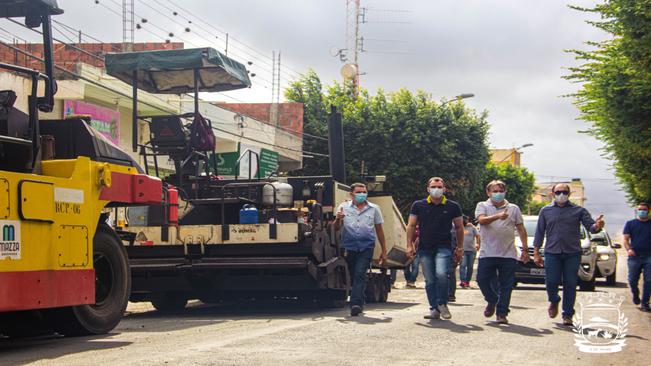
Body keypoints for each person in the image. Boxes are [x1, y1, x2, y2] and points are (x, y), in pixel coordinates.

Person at [533, 183, 605, 325]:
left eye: (564, 192)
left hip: (572, 253)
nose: (561, 194)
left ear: (569, 194)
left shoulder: (579, 210)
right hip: (552, 252)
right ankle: (554, 300)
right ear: (553, 194)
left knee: (570, 284)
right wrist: (536, 252)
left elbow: (591, 227)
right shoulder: (545, 211)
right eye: (558, 192)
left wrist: (598, 226)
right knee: (551, 281)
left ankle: (568, 314)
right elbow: (539, 232)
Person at [406, 177, 463, 320]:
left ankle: (442, 303)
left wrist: (459, 248)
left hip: (444, 247)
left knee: (442, 274)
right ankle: (434, 308)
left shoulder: (453, 206)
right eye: (433, 186)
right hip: (425, 248)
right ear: (428, 189)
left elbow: (459, 227)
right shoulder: (418, 205)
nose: (436, 189)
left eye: (439, 187)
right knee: (430, 280)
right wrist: (409, 245)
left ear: (444, 189)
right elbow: (411, 225)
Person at [475, 180, 530, 324]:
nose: (498, 194)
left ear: (505, 192)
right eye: (494, 191)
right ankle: (492, 300)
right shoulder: (483, 205)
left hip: (508, 253)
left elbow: (521, 229)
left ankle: (502, 313)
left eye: (500, 191)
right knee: (482, 280)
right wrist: (497, 216)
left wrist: (525, 250)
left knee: (506, 285)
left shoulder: (513, 208)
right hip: (488, 252)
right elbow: (481, 220)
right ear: (488, 192)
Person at [334, 182, 387, 316]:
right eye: (358, 192)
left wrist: (384, 250)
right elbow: (335, 228)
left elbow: (379, 230)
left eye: (364, 192)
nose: (361, 194)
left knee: (359, 273)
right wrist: (338, 219)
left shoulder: (374, 209)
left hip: (366, 246)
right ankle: (360, 299)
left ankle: (355, 303)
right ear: (351, 194)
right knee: (353, 274)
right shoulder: (343, 207)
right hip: (349, 246)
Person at [623, 202, 651, 312]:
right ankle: (635, 294)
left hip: (649, 256)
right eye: (640, 209)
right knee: (632, 280)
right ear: (636, 211)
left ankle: (645, 303)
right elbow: (625, 239)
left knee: (649, 280)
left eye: (644, 209)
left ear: (648, 211)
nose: (642, 211)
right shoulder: (630, 224)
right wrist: (629, 249)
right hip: (634, 256)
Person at [459, 215, 480, 288]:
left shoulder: (472, 227)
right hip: (463, 250)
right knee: (462, 265)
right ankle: (463, 281)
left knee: (470, 267)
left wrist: (478, 244)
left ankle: (467, 281)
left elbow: (478, 236)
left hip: (472, 250)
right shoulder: (459, 227)